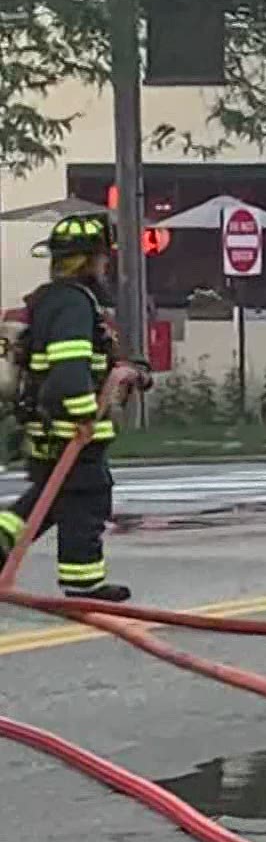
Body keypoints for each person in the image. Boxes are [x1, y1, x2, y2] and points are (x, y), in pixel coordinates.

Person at [0, 213, 147, 601]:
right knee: (86, 499)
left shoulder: (54, 300)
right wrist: (85, 418)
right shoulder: (74, 305)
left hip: (48, 428)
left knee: (46, 501)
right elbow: (68, 372)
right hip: (68, 431)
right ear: (92, 260)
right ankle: (83, 584)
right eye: (102, 258)